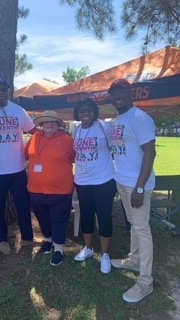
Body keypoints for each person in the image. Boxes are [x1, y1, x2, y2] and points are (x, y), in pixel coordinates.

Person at [108, 79, 156, 303]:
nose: (117, 96)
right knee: (135, 226)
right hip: (123, 183)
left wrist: (139, 187)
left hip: (137, 186)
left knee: (142, 229)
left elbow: (150, 153)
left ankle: (145, 282)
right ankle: (134, 260)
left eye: (121, 92)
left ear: (130, 94)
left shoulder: (140, 118)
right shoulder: (119, 119)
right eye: (113, 93)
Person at [0, 77, 37, 255]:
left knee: (23, 203)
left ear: (8, 91)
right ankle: (2, 239)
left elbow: (32, 130)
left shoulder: (18, 110)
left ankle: (28, 237)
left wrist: (51, 133)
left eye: (3, 89)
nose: (0, 92)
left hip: (18, 168)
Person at [25, 110, 75, 266]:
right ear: (41, 124)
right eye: (46, 122)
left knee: (59, 220)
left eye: (53, 122)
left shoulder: (67, 139)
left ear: (59, 124)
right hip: (36, 188)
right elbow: (25, 155)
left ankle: (59, 249)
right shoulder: (34, 138)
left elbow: (74, 158)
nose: (49, 124)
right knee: (43, 218)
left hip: (61, 190)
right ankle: (48, 240)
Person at [73, 98, 117, 274]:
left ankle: (105, 254)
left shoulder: (104, 128)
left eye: (89, 110)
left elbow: (118, 148)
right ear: (78, 113)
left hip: (104, 180)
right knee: (86, 215)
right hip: (83, 181)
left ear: (94, 112)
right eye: (82, 111)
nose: (86, 114)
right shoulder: (75, 130)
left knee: (104, 215)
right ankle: (88, 248)